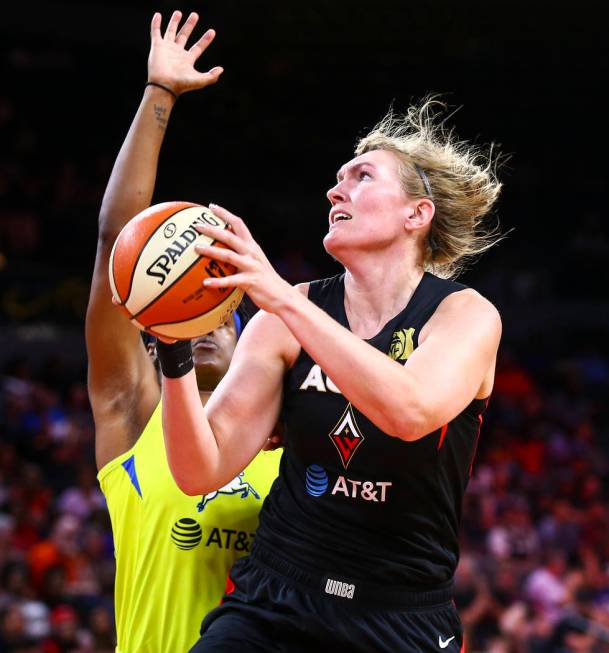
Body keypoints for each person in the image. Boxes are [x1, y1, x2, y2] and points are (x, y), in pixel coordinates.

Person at [152, 10, 503, 652]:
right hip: (276, 599)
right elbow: (199, 469)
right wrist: (173, 350)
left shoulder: (464, 315)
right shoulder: (284, 320)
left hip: (400, 615)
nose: (334, 189)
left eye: (360, 176)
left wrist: (281, 299)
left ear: (415, 215)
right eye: (338, 178)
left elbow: (410, 410)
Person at [85, 11, 281, 653]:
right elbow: (119, 242)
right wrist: (159, 93)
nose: (205, 327)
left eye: (220, 313)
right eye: (187, 317)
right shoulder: (134, 416)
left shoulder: (291, 448)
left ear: (247, 336)